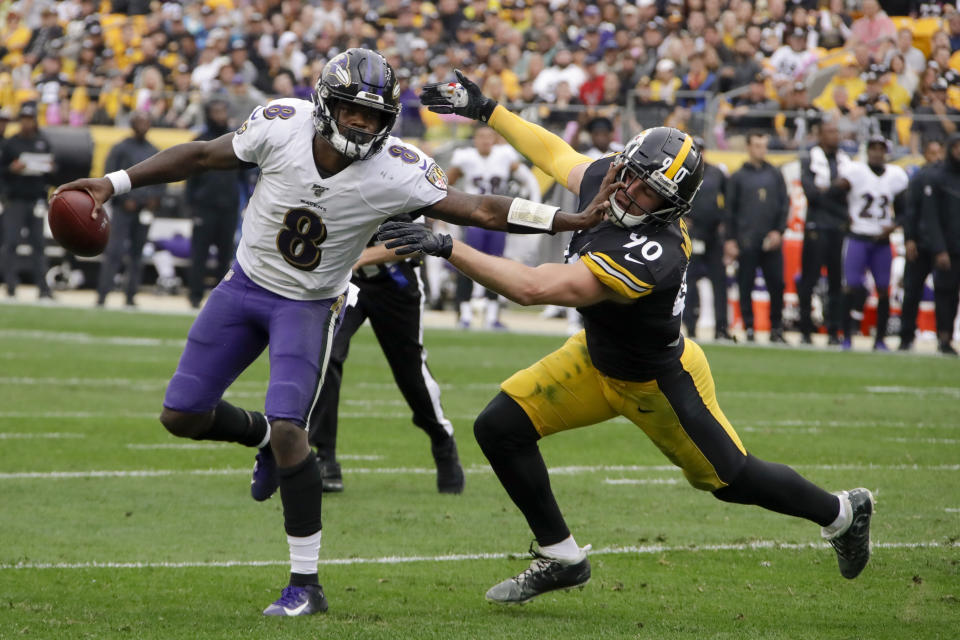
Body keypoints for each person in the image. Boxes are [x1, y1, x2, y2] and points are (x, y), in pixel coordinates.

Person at [54, 49, 608, 617]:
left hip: (310, 304)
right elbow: (198, 155)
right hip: (243, 288)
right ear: (325, 105)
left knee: (295, 429)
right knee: (182, 415)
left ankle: (306, 585)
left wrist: (571, 219)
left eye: (373, 117)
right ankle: (260, 439)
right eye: (352, 111)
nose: (362, 125)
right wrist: (111, 182)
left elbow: (484, 210)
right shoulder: (282, 125)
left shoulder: (398, 167)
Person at [410, 72, 875, 605]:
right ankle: (561, 554)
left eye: (652, 191)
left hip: (655, 383)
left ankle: (842, 513)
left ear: (673, 204)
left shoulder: (656, 249)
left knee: (731, 479)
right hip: (595, 358)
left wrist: (447, 246)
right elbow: (555, 153)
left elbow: (535, 288)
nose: (631, 192)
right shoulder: (611, 176)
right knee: (499, 427)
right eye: (632, 176)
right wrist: (489, 109)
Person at [308, 214, 464, 494]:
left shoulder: (402, 174)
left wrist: (360, 256)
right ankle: (325, 457)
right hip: (346, 283)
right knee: (327, 351)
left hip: (394, 281)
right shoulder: (333, 172)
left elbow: (418, 242)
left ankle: (442, 438)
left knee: (410, 373)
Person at [836, 137, 908, 351]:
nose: (877, 153)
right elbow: (833, 195)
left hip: (882, 240)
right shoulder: (855, 172)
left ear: (886, 152)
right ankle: (847, 336)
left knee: (884, 289)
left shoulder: (895, 176)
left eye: (881, 150)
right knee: (851, 286)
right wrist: (844, 216)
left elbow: (905, 209)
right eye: (873, 149)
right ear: (867, 151)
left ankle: (880, 339)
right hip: (858, 236)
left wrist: (894, 225)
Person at [446, 125, 520, 330]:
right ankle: (465, 314)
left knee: (497, 265)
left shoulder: (504, 155)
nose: (485, 141)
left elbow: (524, 176)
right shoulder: (465, 156)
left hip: (497, 219)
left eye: (489, 137)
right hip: (472, 218)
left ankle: (492, 315)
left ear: (495, 139)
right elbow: (444, 182)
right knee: (466, 264)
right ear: (475, 139)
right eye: (481, 137)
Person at [96, 111, 164, 308]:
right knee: (114, 251)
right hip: (123, 210)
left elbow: (162, 178)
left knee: (137, 253)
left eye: (146, 122)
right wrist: (123, 199)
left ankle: (131, 295)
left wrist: (155, 199)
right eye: (140, 122)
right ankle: (103, 295)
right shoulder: (120, 148)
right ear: (132, 124)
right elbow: (108, 175)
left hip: (144, 211)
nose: (143, 126)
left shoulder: (154, 150)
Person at [725, 132, 789, 343]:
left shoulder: (775, 174)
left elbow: (784, 206)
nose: (761, 150)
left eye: (764, 145)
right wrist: (731, 239)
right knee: (746, 284)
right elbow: (730, 210)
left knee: (777, 285)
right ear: (749, 147)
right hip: (747, 239)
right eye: (757, 145)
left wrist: (778, 231)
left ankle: (776, 328)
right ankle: (750, 327)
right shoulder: (738, 176)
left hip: (771, 240)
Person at [798, 119, 850, 345]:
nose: (834, 135)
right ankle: (805, 330)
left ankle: (833, 330)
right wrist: (835, 191)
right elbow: (812, 194)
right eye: (829, 131)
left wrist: (825, 193)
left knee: (836, 281)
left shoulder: (846, 161)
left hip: (838, 228)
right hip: (816, 227)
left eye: (836, 131)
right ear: (819, 135)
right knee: (809, 279)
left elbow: (847, 192)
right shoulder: (810, 158)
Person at [185, 99, 240, 308]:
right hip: (204, 208)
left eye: (223, 110)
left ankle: (220, 298)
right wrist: (191, 206)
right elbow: (190, 177)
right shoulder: (200, 141)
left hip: (229, 208)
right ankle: (194, 296)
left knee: (226, 254)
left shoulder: (236, 139)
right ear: (208, 114)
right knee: (199, 253)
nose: (220, 115)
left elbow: (244, 176)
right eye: (216, 111)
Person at [0, 102, 55, 300]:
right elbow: (2, 171)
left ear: (35, 121)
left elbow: (52, 172)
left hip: (36, 200)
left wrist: (50, 167)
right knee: (11, 243)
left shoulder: (42, 142)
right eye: (23, 119)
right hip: (15, 200)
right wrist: (11, 170)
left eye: (29, 119)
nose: (26, 123)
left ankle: (43, 289)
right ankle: (11, 287)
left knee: (38, 246)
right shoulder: (11, 143)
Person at [917, 133, 960, 356]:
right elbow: (931, 217)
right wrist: (939, 248)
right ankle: (944, 337)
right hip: (949, 248)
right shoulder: (938, 178)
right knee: (946, 293)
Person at [685, 139, 732, 341]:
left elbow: (729, 200)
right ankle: (690, 326)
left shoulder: (716, 172)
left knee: (719, 281)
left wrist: (724, 224)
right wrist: (682, 218)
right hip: (693, 232)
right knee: (690, 282)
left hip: (713, 234)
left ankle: (721, 327)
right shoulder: (684, 174)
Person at [899, 139, 944, 351]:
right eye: (932, 153)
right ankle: (906, 336)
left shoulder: (950, 179)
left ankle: (944, 338)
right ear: (925, 154)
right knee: (912, 291)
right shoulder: (918, 179)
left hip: (944, 246)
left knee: (946, 292)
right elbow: (910, 212)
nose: (936, 158)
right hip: (920, 244)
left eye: (938, 153)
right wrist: (909, 238)